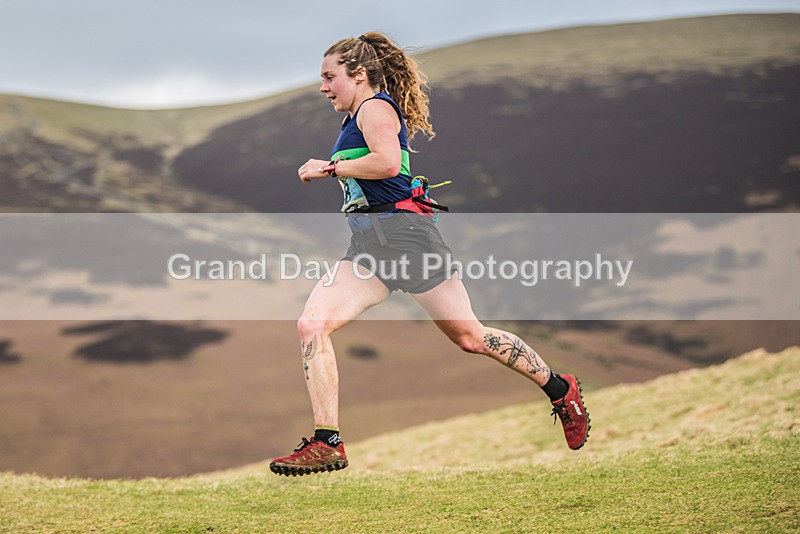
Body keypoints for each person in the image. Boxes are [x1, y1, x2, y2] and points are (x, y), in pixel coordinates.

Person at [269, 32, 590, 477]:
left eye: (330, 77)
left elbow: (386, 164)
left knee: (471, 338)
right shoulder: (355, 116)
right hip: (368, 248)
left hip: (409, 241)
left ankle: (560, 388)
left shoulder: (375, 108)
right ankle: (327, 443)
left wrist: (330, 167)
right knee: (312, 324)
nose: (324, 87)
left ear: (358, 74)